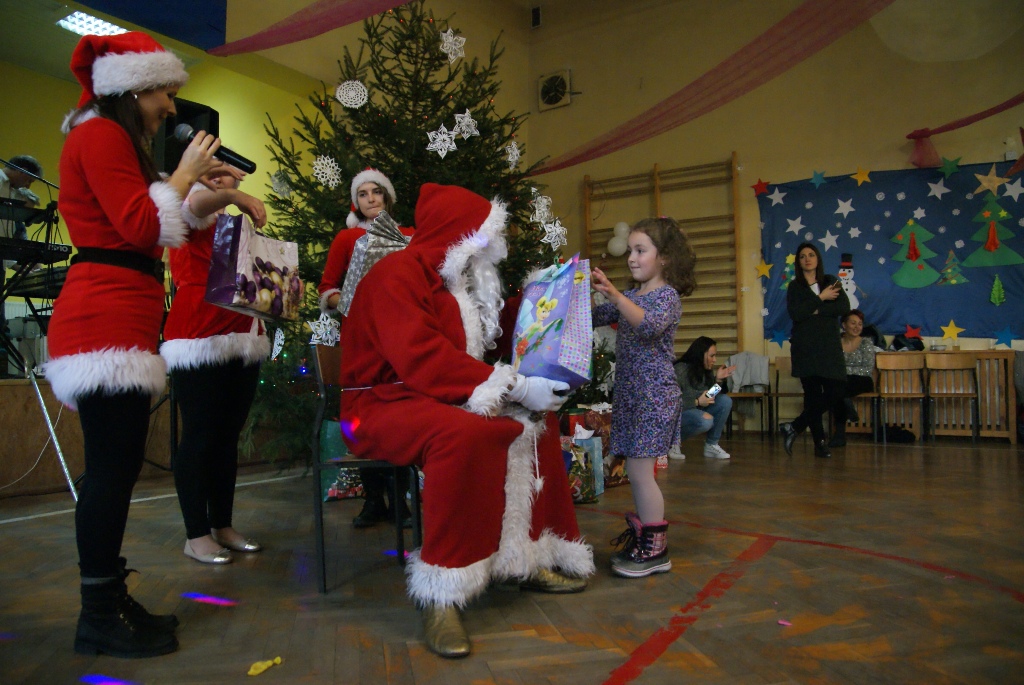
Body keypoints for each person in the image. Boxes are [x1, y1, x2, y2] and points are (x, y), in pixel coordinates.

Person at [339, 183, 594, 658]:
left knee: (533, 423)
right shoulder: (396, 274)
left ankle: (525, 556)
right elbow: (423, 358)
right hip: (379, 405)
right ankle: (443, 590)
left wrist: (546, 301)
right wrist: (514, 386)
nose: (487, 254)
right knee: (462, 433)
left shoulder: (458, 284)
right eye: (480, 242)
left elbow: (487, 350)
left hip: (434, 394)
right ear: (456, 238)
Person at [43, 32, 227, 658]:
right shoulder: (97, 134)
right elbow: (144, 224)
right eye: (166, 94)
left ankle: (108, 598)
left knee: (117, 471)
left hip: (120, 321)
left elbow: (157, 224)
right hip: (102, 324)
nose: (172, 109)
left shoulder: (114, 139)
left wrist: (206, 189)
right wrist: (183, 174)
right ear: (133, 87)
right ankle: (97, 611)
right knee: (110, 474)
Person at [162, 170, 269, 564]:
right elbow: (195, 205)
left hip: (242, 332)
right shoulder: (190, 206)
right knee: (200, 435)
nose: (225, 181)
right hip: (198, 335)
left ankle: (222, 524)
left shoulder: (229, 219)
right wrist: (234, 197)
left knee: (226, 436)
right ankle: (195, 534)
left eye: (231, 176)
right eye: (215, 172)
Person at [591, 217, 697, 579]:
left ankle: (656, 549)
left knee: (640, 471)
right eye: (631, 251)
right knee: (637, 473)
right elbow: (595, 315)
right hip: (633, 396)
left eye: (641, 250)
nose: (632, 258)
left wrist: (616, 295)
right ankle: (647, 539)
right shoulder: (633, 295)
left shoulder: (666, 297)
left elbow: (648, 326)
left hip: (655, 396)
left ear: (664, 258)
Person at [318, 168, 414, 528]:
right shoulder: (346, 239)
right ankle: (373, 500)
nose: (371, 199)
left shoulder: (408, 237)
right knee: (361, 418)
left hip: (397, 336)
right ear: (355, 202)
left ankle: (400, 501)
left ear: (387, 198)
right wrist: (348, 299)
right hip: (359, 339)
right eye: (363, 194)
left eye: (377, 192)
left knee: (400, 413)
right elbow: (327, 287)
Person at [779, 242, 850, 458]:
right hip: (805, 348)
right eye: (802, 256)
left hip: (829, 348)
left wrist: (815, 309)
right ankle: (820, 444)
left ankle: (795, 426)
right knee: (812, 396)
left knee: (836, 391)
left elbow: (843, 307)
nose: (807, 259)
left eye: (811, 255)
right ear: (798, 262)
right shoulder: (795, 286)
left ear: (817, 258)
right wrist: (820, 299)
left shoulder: (831, 281)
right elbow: (797, 314)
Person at [671, 336, 736, 460]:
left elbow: (708, 397)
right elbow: (670, 402)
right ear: (701, 354)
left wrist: (718, 380)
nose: (715, 360)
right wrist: (696, 402)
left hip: (696, 410)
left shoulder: (705, 370)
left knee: (725, 401)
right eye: (712, 356)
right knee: (705, 420)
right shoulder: (680, 370)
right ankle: (672, 443)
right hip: (679, 416)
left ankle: (711, 444)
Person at [830, 308, 881, 447]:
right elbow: (831, 364)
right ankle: (847, 408)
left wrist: (844, 370)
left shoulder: (866, 343)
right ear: (844, 325)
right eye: (853, 323)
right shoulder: (835, 341)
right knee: (838, 390)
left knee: (837, 390)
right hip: (841, 380)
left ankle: (840, 435)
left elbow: (867, 368)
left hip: (862, 379)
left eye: (859, 324)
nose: (857, 327)